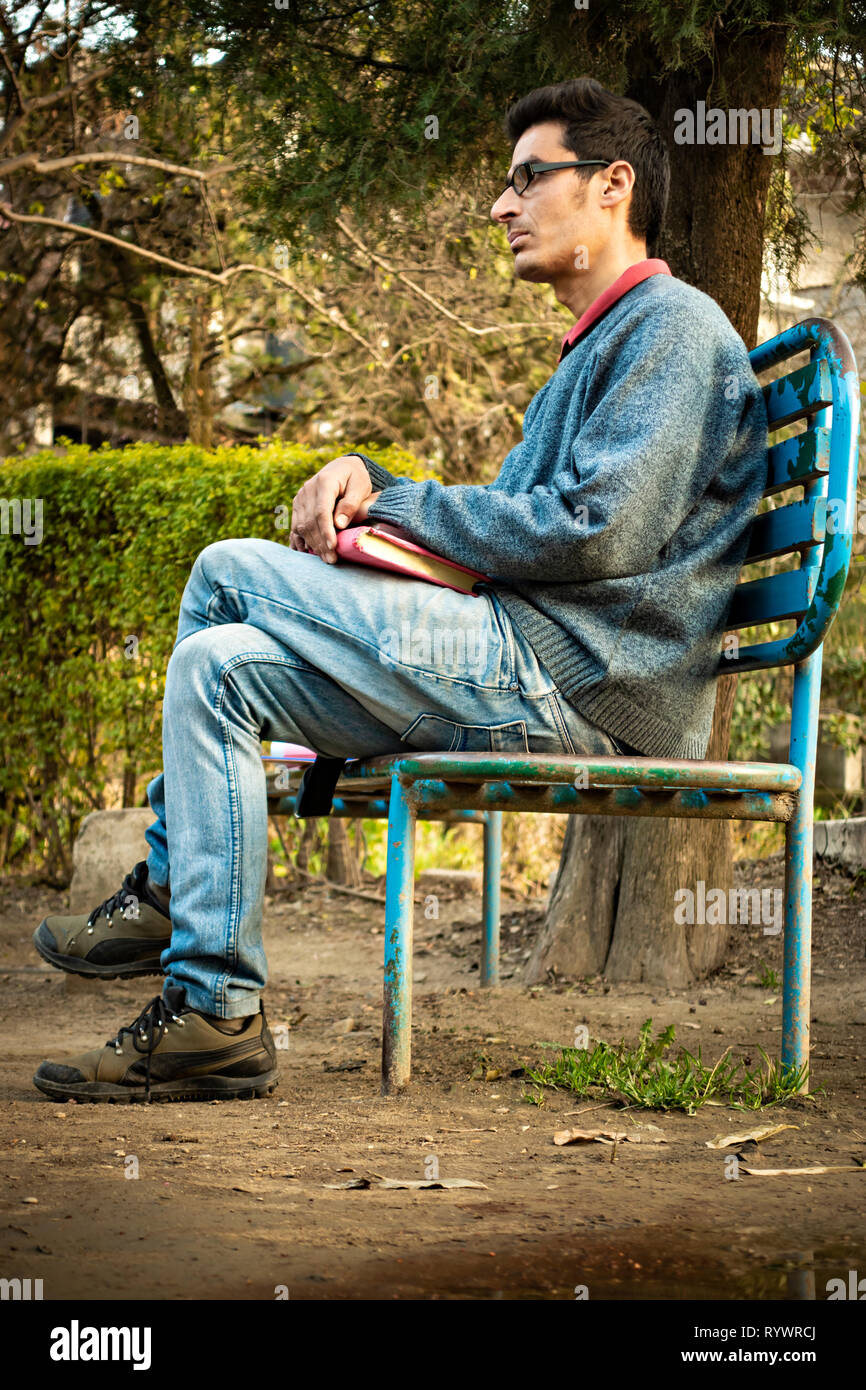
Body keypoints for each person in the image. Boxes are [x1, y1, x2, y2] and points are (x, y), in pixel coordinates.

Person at [31, 76, 767, 1103]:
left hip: (579, 680)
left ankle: (164, 895)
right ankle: (218, 1014)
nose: (500, 206)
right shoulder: (594, 348)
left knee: (225, 570)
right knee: (215, 665)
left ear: (611, 186)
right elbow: (512, 539)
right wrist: (379, 518)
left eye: (525, 180)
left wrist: (391, 495)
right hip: (525, 652)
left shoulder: (672, 332)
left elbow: (593, 535)